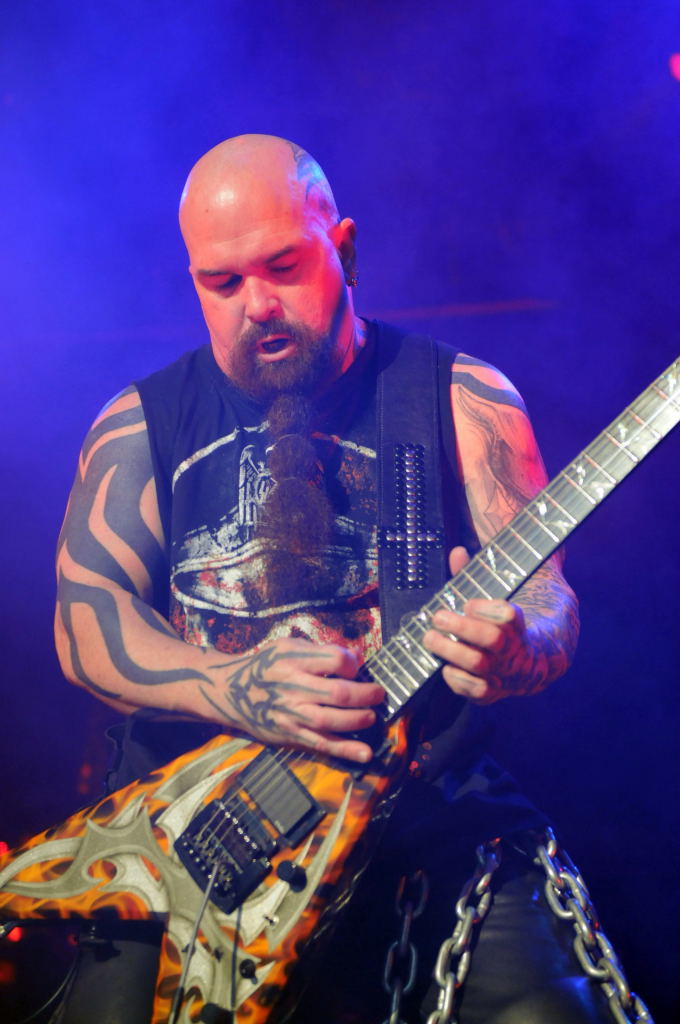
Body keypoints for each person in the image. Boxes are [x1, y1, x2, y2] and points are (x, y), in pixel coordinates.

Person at [51, 134, 631, 1024]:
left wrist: (521, 643)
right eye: (222, 282)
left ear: (345, 249)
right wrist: (233, 685)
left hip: (427, 820)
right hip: (197, 844)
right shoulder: (139, 425)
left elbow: (547, 595)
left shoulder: (461, 397)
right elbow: (85, 623)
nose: (257, 304)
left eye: (283, 266)